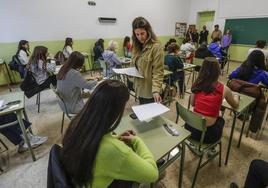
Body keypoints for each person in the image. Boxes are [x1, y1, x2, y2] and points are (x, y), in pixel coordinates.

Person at [60, 80, 158, 188]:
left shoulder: (78, 123)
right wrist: (136, 140)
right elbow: (153, 174)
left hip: (82, 179)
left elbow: (94, 142)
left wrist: (115, 138)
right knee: (161, 171)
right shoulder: (114, 151)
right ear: (114, 111)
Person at [186, 57, 239, 145]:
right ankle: (212, 148)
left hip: (190, 129)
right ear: (218, 71)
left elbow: (192, 103)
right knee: (221, 120)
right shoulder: (224, 89)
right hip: (208, 135)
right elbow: (235, 105)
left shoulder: (197, 84)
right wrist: (236, 96)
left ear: (202, 69)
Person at [131, 17, 164, 104]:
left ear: (148, 32)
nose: (140, 37)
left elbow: (158, 71)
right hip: (140, 88)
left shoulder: (156, 47)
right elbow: (134, 65)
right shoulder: (137, 46)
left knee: (152, 116)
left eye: (142, 33)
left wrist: (156, 90)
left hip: (150, 91)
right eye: (137, 34)